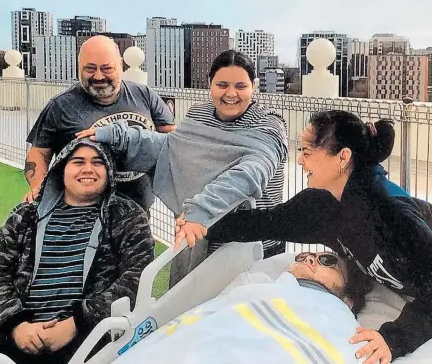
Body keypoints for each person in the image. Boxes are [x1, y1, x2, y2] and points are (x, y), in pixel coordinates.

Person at [179, 110, 432, 364]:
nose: (300, 159)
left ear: (343, 157)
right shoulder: (323, 207)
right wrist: (203, 222)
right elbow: (264, 222)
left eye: (308, 150)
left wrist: (394, 339)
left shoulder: (390, 210)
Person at [77, 50, 290, 285]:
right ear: (210, 84)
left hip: (253, 248)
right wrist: (117, 136)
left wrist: (201, 210)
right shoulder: (198, 116)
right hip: (198, 238)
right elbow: (167, 147)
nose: (231, 93)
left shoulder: (270, 124)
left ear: (254, 86)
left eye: (241, 86)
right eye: (222, 84)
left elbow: (251, 172)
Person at [0, 138, 155, 364]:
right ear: (62, 169)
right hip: (17, 340)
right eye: (78, 162)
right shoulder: (26, 216)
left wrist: (76, 323)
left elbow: (137, 277)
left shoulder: (127, 216)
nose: (88, 169)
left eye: (98, 163)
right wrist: (15, 325)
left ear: (109, 170)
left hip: (92, 343)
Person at [112, 251, 373, 364]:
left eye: (326, 260)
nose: (311, 259)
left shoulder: (347, 326)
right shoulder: (258, 290)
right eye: (303, 257)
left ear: (348, 299)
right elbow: (214, 320)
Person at [24, 35, 176, 211]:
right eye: (90, 68)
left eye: (106, 68)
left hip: (139, 214)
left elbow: (173, 142)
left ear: (120, 65)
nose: (98, 76)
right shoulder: (60, 105)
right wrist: (40, 188)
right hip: (82, 216)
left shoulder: (144, 95)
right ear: (79, 67)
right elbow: (38, 154)